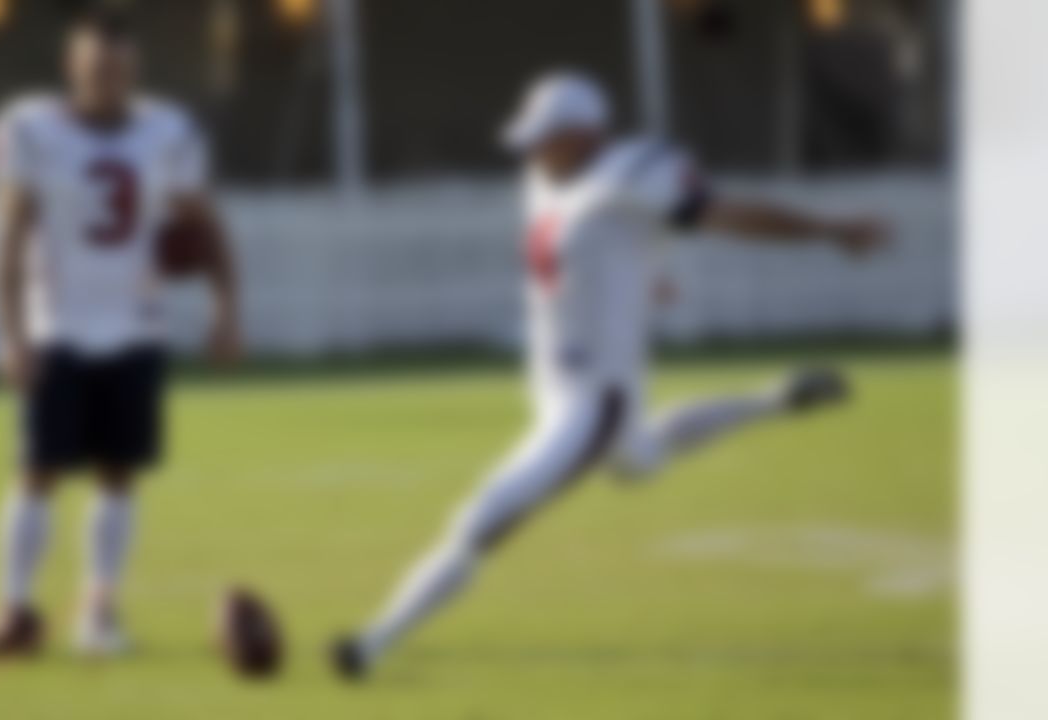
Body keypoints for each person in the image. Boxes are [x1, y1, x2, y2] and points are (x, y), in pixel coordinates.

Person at [331, 70, 887, 679]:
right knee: (640, 460)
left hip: (594, 399)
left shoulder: (632, 168)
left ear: (585, 135)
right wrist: (644, 273)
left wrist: (826, 230)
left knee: (484, 517)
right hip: (553, 386)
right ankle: (776, 401)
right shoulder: (543, 181)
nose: (533, 148)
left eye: (547, 136)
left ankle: (371, 643)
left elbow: (723, 214)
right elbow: (595, 252)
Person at [0, 7, 239, 659]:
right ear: (71, 67)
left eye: (119, 68)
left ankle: (98, 610)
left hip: (136, 326)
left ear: (135, 71)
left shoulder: (167, 132)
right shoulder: (32, 130)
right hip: (56, 325)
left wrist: (227, 310)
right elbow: (6, 239)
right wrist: (10, 336)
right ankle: (13, 610)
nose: (107, 79)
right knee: (36, 471)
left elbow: (209, 225)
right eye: (95, 66)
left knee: (118, 476)